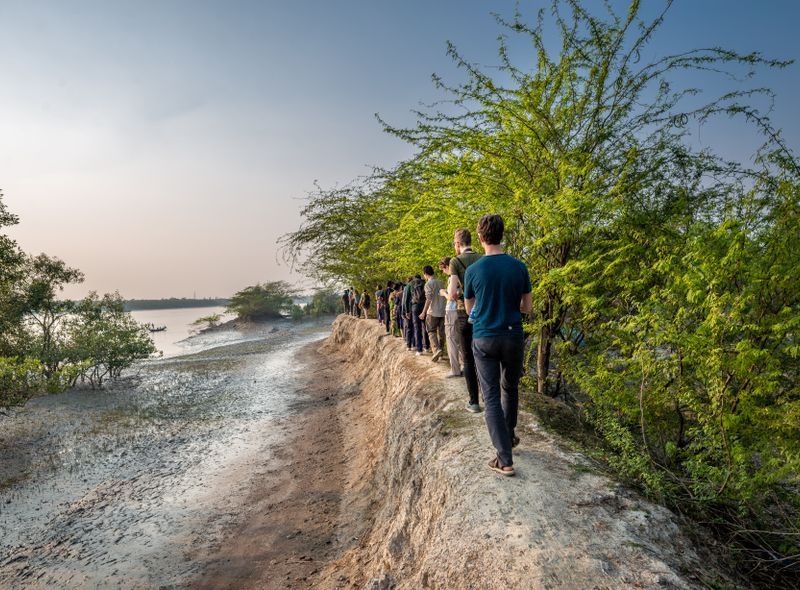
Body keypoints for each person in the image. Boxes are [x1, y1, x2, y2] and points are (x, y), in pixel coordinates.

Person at [464, 214, 532, 477]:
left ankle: (504, 459)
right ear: (502, 235)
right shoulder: (519, 267)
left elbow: (469, 309)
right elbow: (527, 307)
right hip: (513, 335)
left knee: (491, 396)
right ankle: (509, 436)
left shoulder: (473, 270)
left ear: (480, 238)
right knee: (510, 388)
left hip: (484, 337)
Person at [449, 228, 483, 412]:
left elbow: (453, 294)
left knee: (468, 358)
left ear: (458, 243)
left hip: (464, 313)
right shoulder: (482, 258)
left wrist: (449, 294)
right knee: (483, 355)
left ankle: (474, 402)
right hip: (483, 312)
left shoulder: (455, 261)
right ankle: (489, 396)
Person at [439, 257, 462, 377]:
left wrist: (443, 292)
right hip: (461, 310)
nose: (443, 272)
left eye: (443, 269)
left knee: (451, 340)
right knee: (460, 340)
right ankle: (463, 366)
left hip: (451, 311)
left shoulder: (452, 278)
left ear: (447, 266)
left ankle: (455, 369)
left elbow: (451, 297)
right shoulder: (462, 277)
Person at [420, 265, 446, 362]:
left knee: (431, 331)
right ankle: (441, 352)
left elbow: (429, 299)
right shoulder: (441, 282)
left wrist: (423, 312)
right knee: (442, 333)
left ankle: (436, 349)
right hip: (443, 311)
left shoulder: (428, 284)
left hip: (432, 312)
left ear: (425, 274)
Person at [409, 274, 427, 355]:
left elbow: (408, 297)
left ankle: (419, 350)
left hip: (415, 306)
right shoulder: (425, 283)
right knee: (425, 326)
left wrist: (407, 310)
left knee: (417, 328)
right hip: (424, 306)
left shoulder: (411, 283)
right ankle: (427, 346)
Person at [402, 277, 415, 351]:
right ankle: (414, 344)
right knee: (415, 327)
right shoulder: (416, 285)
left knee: (409, 327)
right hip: (417, 308)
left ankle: (409, 345)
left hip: (409, 309)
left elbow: (405, 300)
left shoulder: (407, 286)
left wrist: (406, 311)